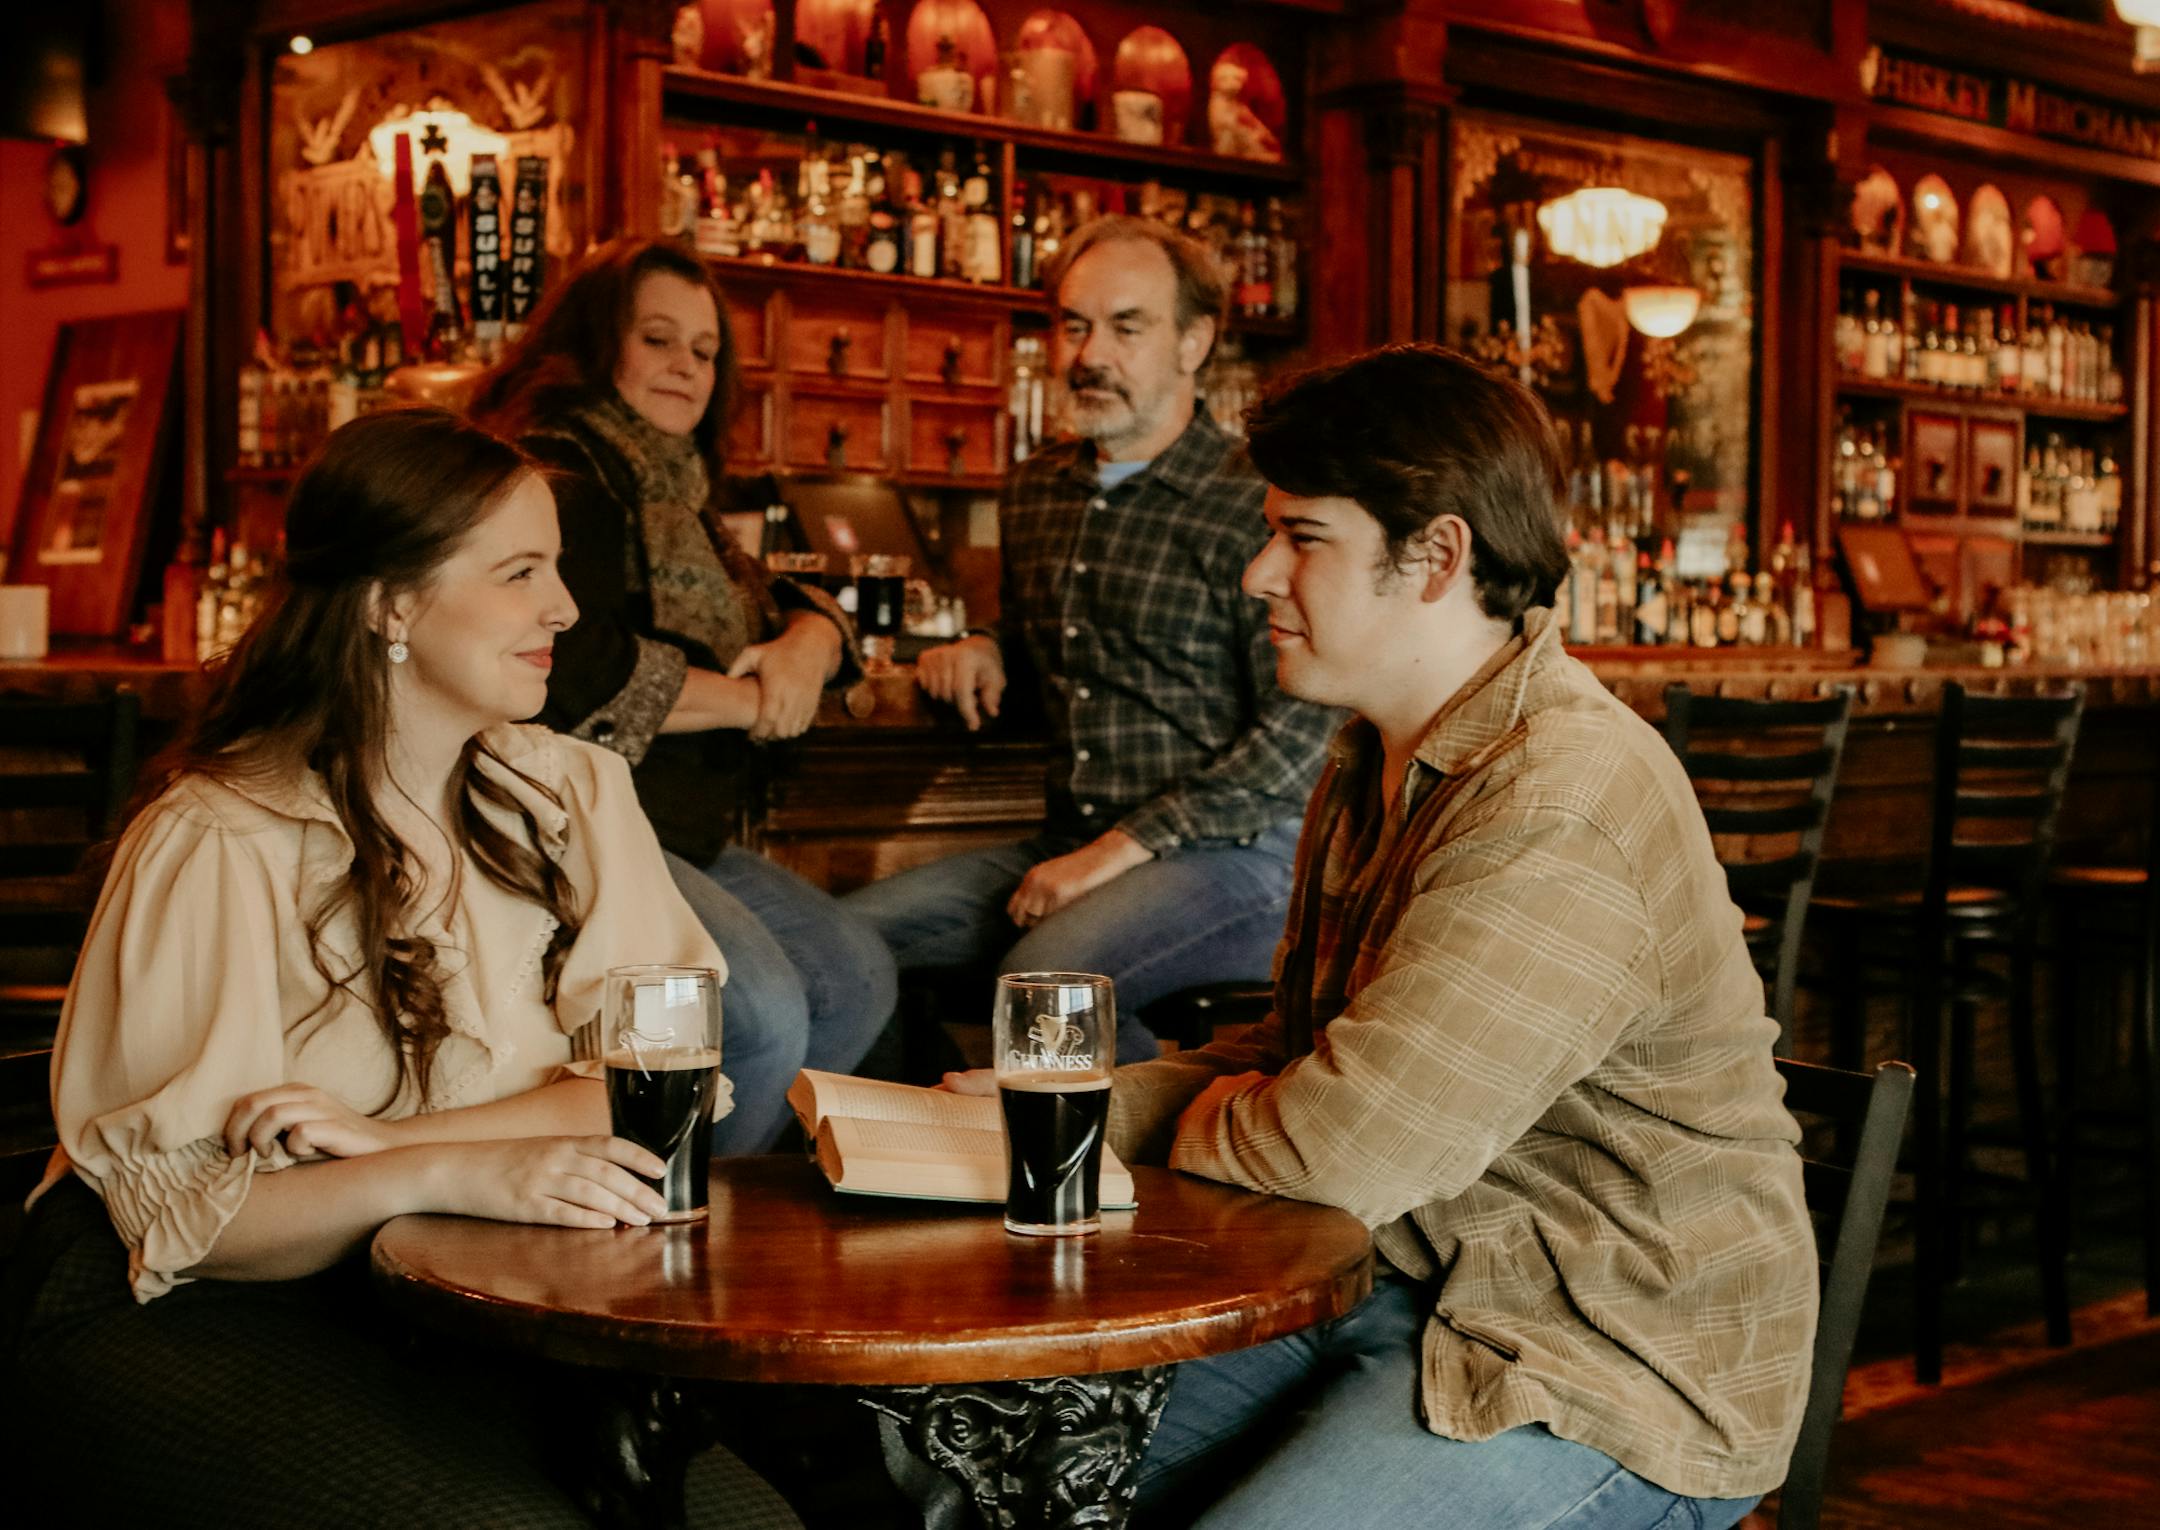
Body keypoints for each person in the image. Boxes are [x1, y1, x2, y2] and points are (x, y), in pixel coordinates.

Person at [956, 346, 1818, 1527]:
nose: (1259, 573)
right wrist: (1064, 1106)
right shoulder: (1371, 757)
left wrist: (1137, 1120)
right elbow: (1297, 1061)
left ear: (1438, 557)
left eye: (1301, 537)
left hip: (1609, 1366)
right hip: (1401, 1281)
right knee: (996, 1472)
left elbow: (1332, 1152)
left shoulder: (1559, 796)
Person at [0, 410, 797, 1527]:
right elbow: (192, 1219)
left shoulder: (573, 793)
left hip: (463, 1292)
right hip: (187, 1309)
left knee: (755, 1524)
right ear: (390, 606)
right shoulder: (225, 835)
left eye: (557, 568)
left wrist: (387, 1146)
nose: (566, 609)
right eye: (520, 572)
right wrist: (447, 1173)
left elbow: (652, 1097)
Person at [845, 217, 1338, 1063]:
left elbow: (1304, 729)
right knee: (841, 947)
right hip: (1076, 838)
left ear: (1194, 343)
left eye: (1126, 327)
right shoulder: (1037, 490)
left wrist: (1117, 852)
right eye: (1074, 326)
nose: (1090, 354)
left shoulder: (1257, 497)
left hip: (1241, 856)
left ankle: (1152, 1140)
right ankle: (931, 1139)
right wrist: (987, 644)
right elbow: (1053, 642)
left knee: (1047, 982)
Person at [470, 238, 895, 1151]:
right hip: (580, 822)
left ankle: (739, 1190)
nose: (686, 368)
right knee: (764, 1018)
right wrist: (753, 702)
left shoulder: (668, 482)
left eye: (704, 352)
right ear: (596, 344)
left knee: (854, 977)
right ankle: (675, 1208)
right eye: (658, 340)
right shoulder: (562, 472)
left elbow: (773, 596)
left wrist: (813, 639)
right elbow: (573, 670)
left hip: (678, 826)